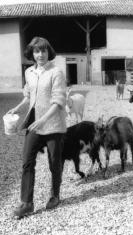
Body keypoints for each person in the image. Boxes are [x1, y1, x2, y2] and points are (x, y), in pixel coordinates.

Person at [8, 37, 67, 217]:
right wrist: (17, 108)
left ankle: (55, 195)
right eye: (36, 51)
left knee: (54, 163)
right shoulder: (29, 72)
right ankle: (27, 203)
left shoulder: (56, 72)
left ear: (49, 52)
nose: (40, 54)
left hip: (53, 124)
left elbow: (58, 101)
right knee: (27, 160)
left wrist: (44, 120)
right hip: (35, 123)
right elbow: (28, 95)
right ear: (31, 53)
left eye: (43, 51)